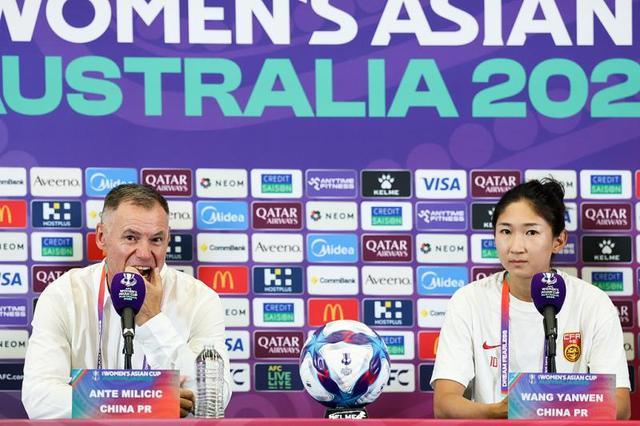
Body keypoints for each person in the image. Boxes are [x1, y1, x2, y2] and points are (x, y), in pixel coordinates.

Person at [22, 184, 232, 419]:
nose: (144, 253)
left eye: (156, 240)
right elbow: (39, 398)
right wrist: (145, 402)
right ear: (102, 237)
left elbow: (213, 398)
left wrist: (152, 320)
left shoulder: (200, 299)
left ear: (167, 241)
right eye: (131, 237)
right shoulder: (63, 295)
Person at [430, 179, 631, 419]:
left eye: (531, 232)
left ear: (558, 241)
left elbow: (620, 406)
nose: (516, 247)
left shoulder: (593, 303)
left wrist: (542, 408)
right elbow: (444, 404)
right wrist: (497, 412)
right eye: (506, 231)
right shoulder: (468, 301)